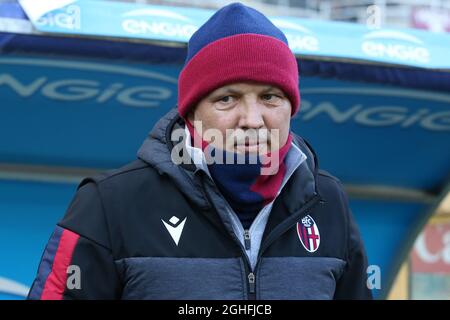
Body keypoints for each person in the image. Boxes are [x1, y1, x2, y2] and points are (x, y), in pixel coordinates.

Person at [27, 2, 372, 300]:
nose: (252, 120)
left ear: (291, 107)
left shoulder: (328, 201)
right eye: (227, 98)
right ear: (191, 112)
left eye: (270, 96)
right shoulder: (108, 203)